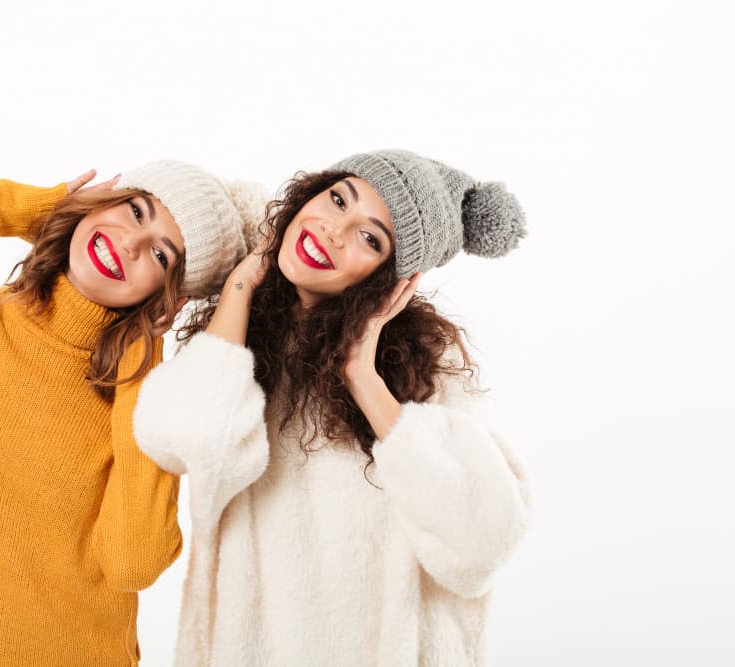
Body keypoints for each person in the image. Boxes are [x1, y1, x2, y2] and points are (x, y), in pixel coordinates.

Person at [0, 161, 268, 666]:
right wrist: (31, 208)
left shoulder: (139, 397)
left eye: (159, 253)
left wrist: (143, 365)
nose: (129, 243)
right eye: (135, 210)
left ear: (167, 299)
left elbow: (134, 562)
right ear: (102, 201)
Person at [133, 149, 532, 666]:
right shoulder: (234, 342)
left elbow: (483, 542)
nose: (333, 231)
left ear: (389, 276)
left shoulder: (427, 366)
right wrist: (238, 287)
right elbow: (184, 441)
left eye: (371, 238)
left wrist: (362, 376)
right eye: (338, 198)